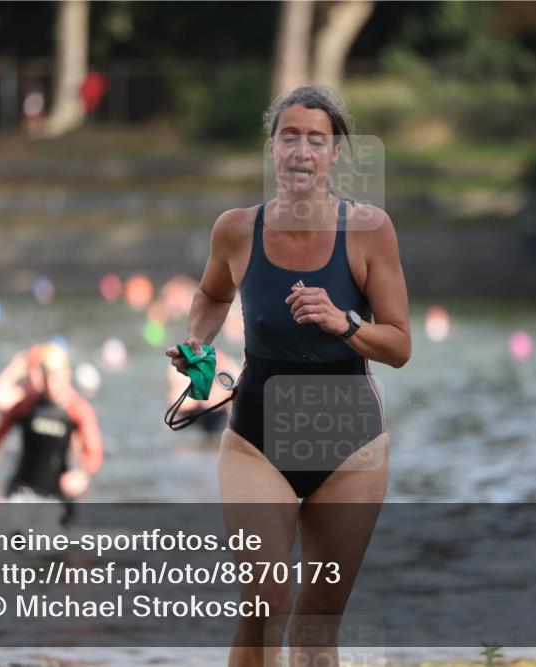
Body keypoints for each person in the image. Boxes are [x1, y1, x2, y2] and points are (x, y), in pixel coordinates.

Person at [166, 85, 410, 666]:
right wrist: (197, 343)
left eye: (316, 140)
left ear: (334, 154)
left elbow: (400, 345)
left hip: (351, 449)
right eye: (289, 137)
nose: (302, 151)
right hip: (258, 442)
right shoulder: (235, 229)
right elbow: (211, 294)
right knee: (264, 602)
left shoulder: (370, 230)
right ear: (271, 148)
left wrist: (344, 322)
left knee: (317, 627)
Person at [0, 343, 103, 525]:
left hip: (56, 494)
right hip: (22, 491)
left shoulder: (77, 409)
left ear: (66, 375)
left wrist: (83, 474)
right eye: (46, 376)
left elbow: (94, 450)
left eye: (55, 376)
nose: (51, 384)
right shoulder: (26, 404)